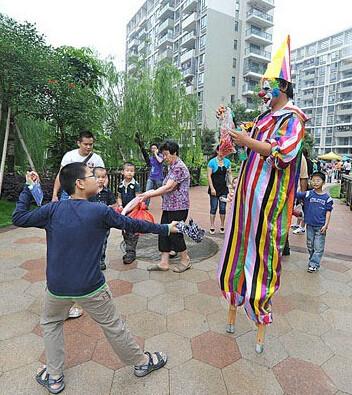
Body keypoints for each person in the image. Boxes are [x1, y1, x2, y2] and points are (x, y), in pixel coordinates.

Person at [13, 164, 179, 394]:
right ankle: (141, 363)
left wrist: (28, 188)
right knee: (113, 326)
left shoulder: (53, 210)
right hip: (91, 287)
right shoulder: (101, 212)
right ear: (80, 184)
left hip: (57, 288)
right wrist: (166, 228)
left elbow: (19, 217)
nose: (98, 180)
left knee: (51, 324)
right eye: (92, 176)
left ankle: (54, 377)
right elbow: (133, 224)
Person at [218, 36, 308, 353]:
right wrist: (227, 125)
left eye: (267, 85)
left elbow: (282, 155)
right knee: (236, 247)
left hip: (267, 203)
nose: (262, 91)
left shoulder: (293, 119)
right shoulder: (263, 117)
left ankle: (259, 315)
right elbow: (237, 150)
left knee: (262, 255)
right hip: (245, 198)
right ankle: (233, 300)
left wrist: (245, 140)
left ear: (281, 87)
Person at [140, 141, 191, 273]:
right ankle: (164, 262)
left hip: (179, 207)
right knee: (163, 231)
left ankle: (185, 260)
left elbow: (168, 187)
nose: (164, 158)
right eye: (163, 155)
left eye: (166, 154)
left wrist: (149, 194)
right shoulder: (171, 166)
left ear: (174, 153)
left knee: (175, 233)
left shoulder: (179, 167)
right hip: (169, 206)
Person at [51, 130, 104, 202]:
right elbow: (60, 175)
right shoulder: (69, 156)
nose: (88, 147)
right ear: (79, 143)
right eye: (85, 144)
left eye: (90, 144)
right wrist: (54, 195)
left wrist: (99, 191)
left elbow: (103, 176)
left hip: (90, 193)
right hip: (70, 191)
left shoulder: (97, 159)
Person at [296, 171, 333, 272]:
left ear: (323, 182)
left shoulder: (327, 198)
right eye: (313, 180)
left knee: (318, 247)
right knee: (310, 245)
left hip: (320, 227)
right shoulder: (308, 194)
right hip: (310, 226)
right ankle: (313, 260)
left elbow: (328, 212)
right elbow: (295, 194)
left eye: (318, 180)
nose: (315, 182)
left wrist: (326, 225)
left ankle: (314, 264)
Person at [88, 167, 117, 270]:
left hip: (104, 223)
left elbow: (114, 205)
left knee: (103, 242)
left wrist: (108, 208)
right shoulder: (89, 192)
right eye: (98, 177)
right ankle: (91, 260)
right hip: (91, 223)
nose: (100, 179)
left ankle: (101, 260)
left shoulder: (108, 192)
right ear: (92, 177)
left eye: (103, 177)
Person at [117, 162, 141, 264]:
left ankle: (131, 253)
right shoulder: (121, 185)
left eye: (132, 171)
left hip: (133, 211)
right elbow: (118, 197)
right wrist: (120, 205)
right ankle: (129, 250)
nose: (129, 173)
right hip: (124, 212)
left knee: (133, 231)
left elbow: (138, 199)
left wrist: (130, 208)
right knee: (125, 231)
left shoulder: (136, 185)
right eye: (127, 170)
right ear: (123, 172)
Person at [207, 145, 233, 234]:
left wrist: (232, 184)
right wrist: (212, 188)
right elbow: (209, 176)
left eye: (224, 151)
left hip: (223, 189)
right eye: (221, 151)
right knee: (213, 207)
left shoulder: (227, 162)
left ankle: (222, 225)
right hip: (214, 189)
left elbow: (229, 174)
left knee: (223, 208)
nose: (223, 153)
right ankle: (212, 225)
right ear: (217, 151)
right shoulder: (212, 162)